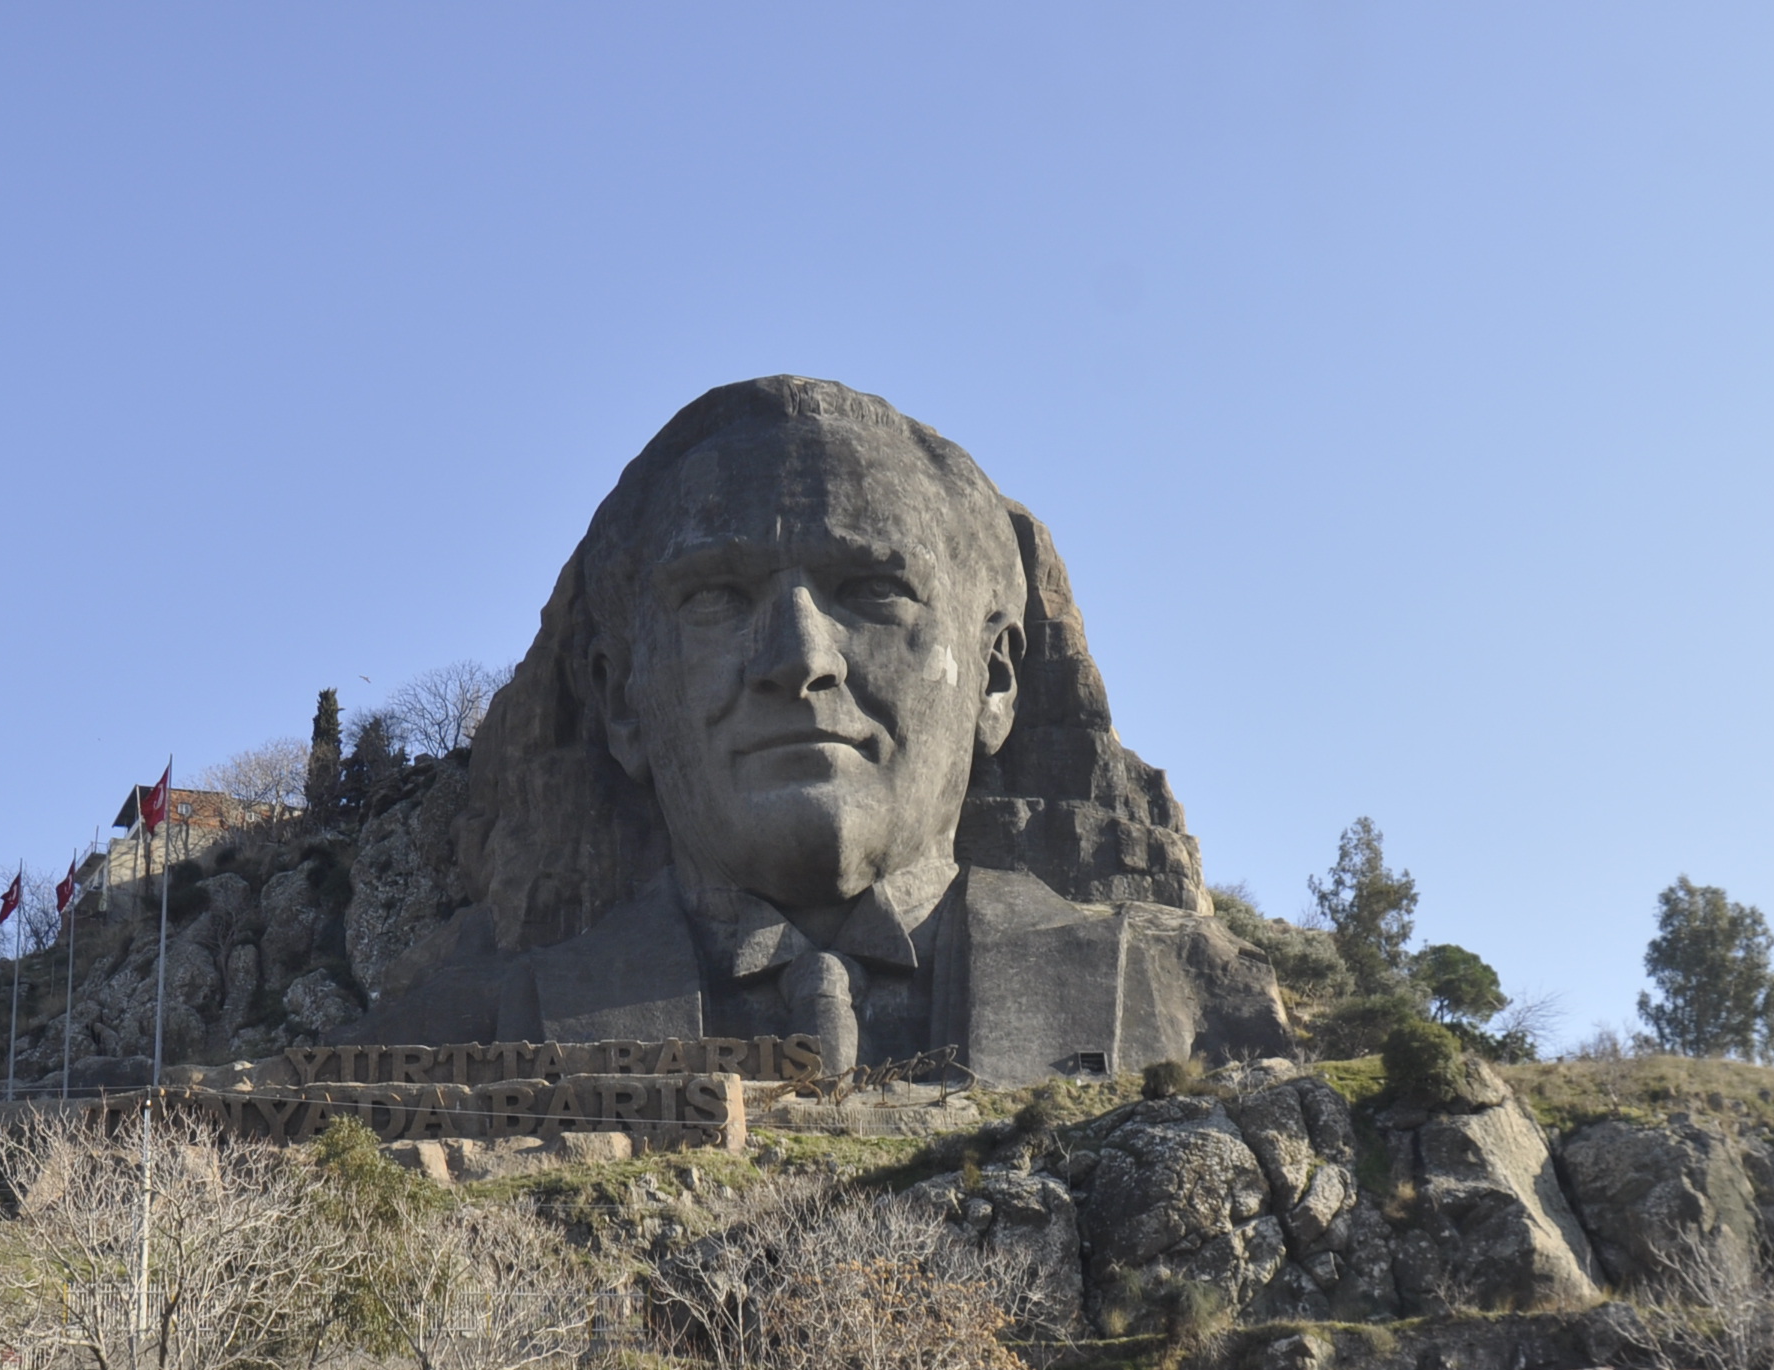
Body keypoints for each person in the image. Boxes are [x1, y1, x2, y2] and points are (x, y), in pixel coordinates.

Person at [349, 377, 1283, 1082]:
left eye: (872, 591)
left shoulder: (1180, 999)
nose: (799, 660)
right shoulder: (470, 1027)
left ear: (996, 679)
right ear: (621, 694)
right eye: (718, 597)